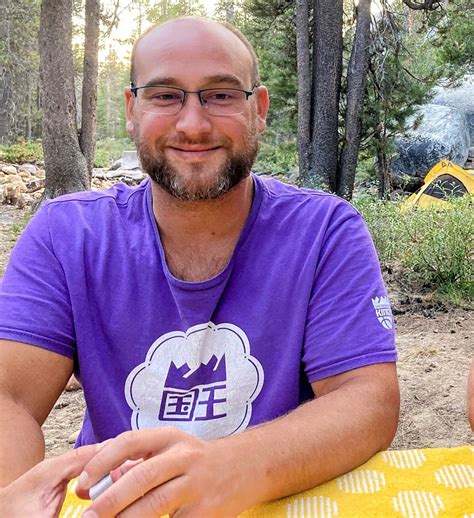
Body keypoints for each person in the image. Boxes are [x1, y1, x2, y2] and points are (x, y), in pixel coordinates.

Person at [0, 17, 399, 517]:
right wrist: (11, 493)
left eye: (221, 95)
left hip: (281, 496)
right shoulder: (66, 236)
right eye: (165, 95)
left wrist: (230, 467)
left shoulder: (324, 232)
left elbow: (368, 401)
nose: (192, 124)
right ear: (131, 109)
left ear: (259, 110)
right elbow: (9, 397)